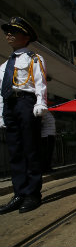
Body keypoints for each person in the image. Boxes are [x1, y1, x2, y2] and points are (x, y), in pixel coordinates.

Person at [0, 17, 47, 214]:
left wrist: (40, 102)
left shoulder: (34, 58)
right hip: (10, 106)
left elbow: (40, 82)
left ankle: (33, 193)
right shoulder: (3, 66)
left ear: (25, 36)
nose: (8, 34)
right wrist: (1, 114)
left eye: (14, 31)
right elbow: (1, 91)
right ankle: (19, 193)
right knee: (15, 151)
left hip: (26, 103)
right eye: (7, 31)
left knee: (30, 148)